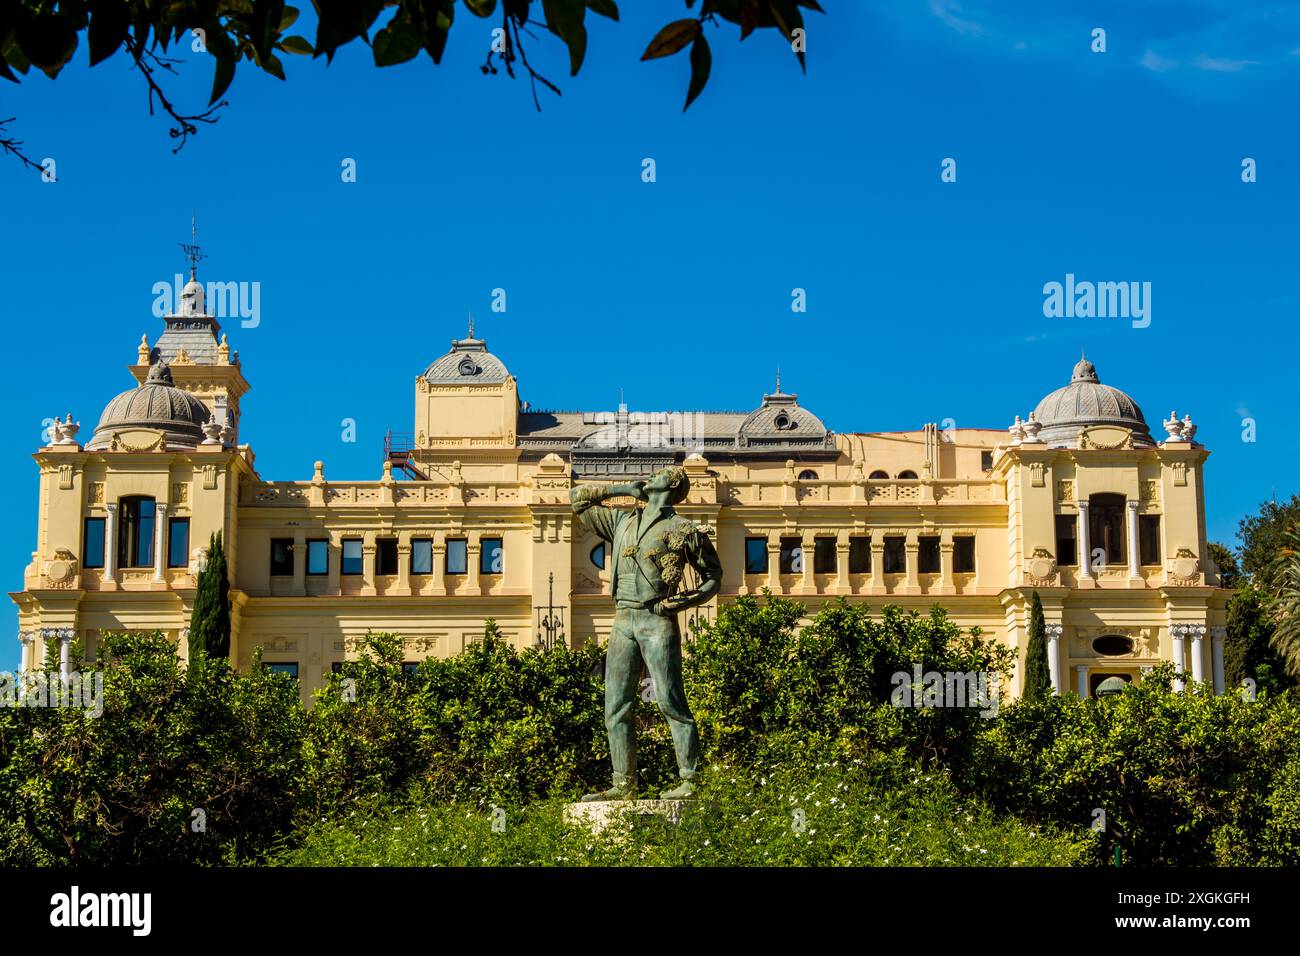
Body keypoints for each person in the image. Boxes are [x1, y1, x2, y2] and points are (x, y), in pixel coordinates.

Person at [570, 465, 722, 800]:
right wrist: (621, 489)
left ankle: (690, 781)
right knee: (616, 707)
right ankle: (623, 786)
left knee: (670, 700)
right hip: (623, 620)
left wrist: (680, 602)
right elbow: (576, 501)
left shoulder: (684, 529)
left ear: (671, 484)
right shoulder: (623, 520)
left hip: (656, 619)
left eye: (658, 474)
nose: (650, 476)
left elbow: (713, 576)